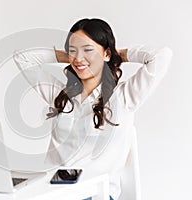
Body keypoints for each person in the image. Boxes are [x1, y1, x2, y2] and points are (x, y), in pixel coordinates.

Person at [13, 18, 172, 200]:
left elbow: (161, 55)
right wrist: (73, 57)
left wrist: (117, 55)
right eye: (73, 50)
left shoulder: (124, 97)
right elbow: (22, 57)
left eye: (88, 49)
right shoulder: (60, 96)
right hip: (52, 191)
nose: (79, 58)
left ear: (106, 54)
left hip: (95, 193)